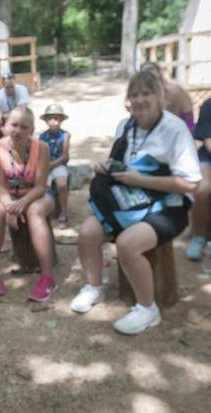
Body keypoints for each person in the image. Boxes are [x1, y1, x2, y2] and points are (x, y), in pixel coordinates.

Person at [70, 71, 201, 335]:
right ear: (128, 100)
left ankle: (147, 309)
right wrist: (106, 167)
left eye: (146, 93)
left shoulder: (174, 129)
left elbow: (190, 184)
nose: (140, 99)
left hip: (169, 206)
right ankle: (94, 286)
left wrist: (140, 179)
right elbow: (120, 164)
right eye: (134, 94)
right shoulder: (125, 126)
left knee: (129, 244)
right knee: (86, 234)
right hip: (128, 202)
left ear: (160, 97)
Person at [0, 107, 57, 301]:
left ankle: (47, 277)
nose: (18, 130)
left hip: (36, 195)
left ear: (31, 130)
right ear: (6, 125)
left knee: (35, 211)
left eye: (24, 127)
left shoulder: (42, 148)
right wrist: (10, 206)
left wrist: (21, 204)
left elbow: (41, 187)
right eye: (14, 125)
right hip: (8, 196)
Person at [185, 98, 211, 260]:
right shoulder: (209, 105)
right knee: (202, 189)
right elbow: (209, 143)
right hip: (207, 158)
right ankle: (198, 236)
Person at [39, 104, 71, 228]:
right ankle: (45, 211)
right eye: (50, 118)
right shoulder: (42, 137)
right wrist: (44, 166)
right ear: (46, 121)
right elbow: (40, 154)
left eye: (57, 118)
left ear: (61, 120)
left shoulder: (65, 135)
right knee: (44, 186)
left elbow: (65, 156)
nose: (53, 122)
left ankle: (64, 212)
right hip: (45, 165)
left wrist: (51, 165)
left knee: (62, 185)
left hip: (58, 164)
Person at [140, 61, 195, 133]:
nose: (147, 73)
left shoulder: (173, 91)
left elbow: (170, 121)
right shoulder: (148, 93)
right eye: (143, 72)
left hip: (182, 133)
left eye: (150, 69)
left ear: (159, 72)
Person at [0, 72, 30, 143]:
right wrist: (2, 129)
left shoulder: (22, 90)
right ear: (3, 85)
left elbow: (22, 111)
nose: (10, 89)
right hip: (5, 121)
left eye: (12, 86)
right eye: (7, 87)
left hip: (21, 118)